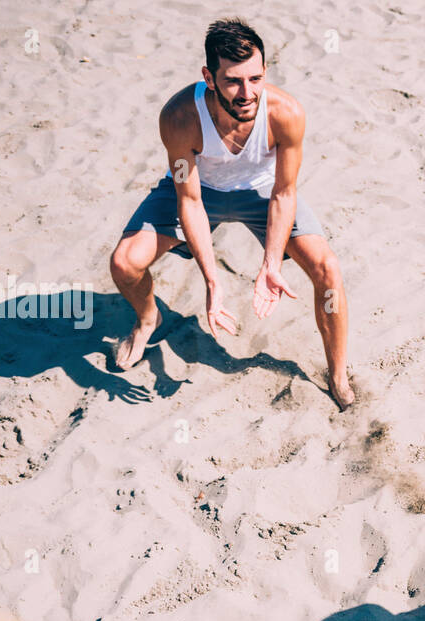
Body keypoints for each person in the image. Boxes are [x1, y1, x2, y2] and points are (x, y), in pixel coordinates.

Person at [109, 18, 355, 410]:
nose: (247, 93)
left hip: (261, 194)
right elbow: (188, 201)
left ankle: (338, 372)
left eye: (255, 79)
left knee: (327, 270)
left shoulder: (286, 113)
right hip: (199, 191)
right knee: (124, 264)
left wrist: (271, 263)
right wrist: (212, 281)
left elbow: (284, 191)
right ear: (209, 77)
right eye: (233, 81)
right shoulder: (179, 117)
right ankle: (147, 318)